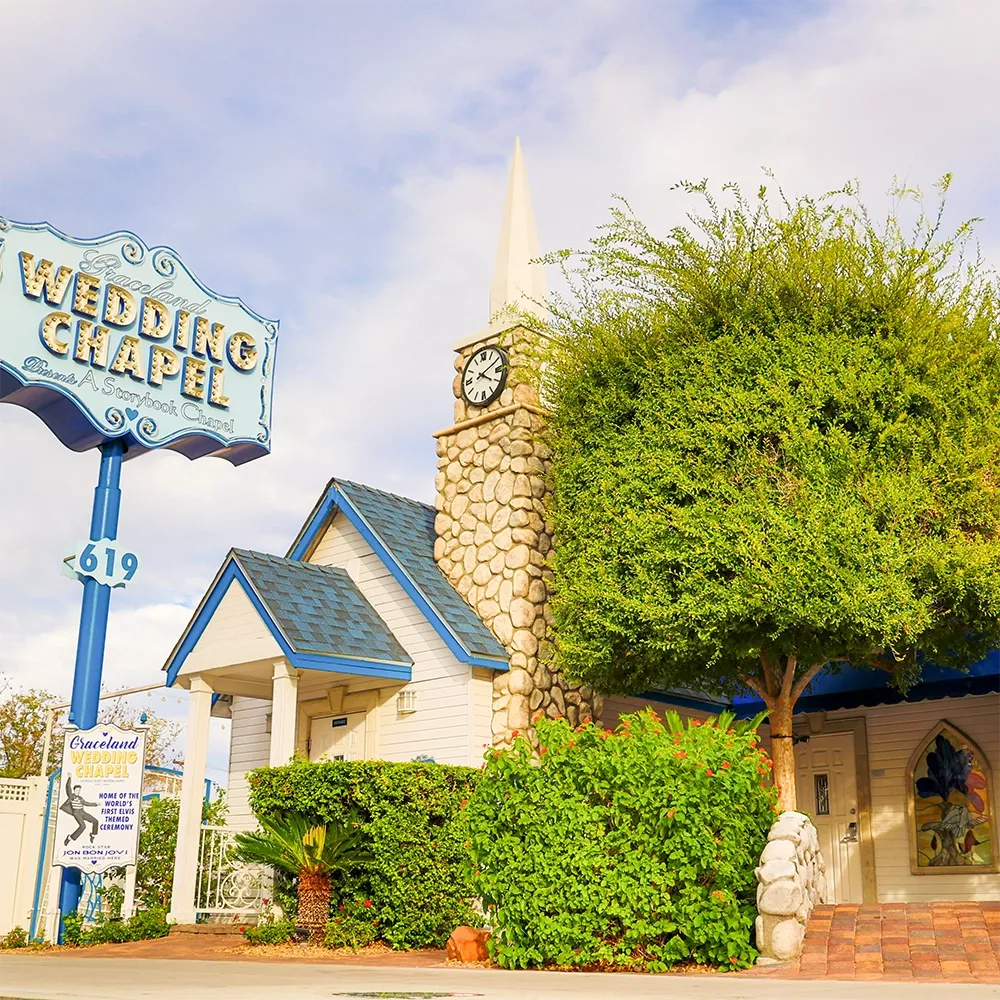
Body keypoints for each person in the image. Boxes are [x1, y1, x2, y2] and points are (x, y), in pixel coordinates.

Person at [59, 776, 99, 846]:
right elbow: (68, 787)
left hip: (82, 812)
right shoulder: (71, 796)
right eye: (77, 790)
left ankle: (93, 835)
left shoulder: (80, 798)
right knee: (83, 826)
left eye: (79, 790)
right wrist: (69, 777)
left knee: (95, 821)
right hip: (76, 813)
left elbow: (86, 803)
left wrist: (96, 804)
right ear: (74, 790)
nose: (78, 792)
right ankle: (69, 838)